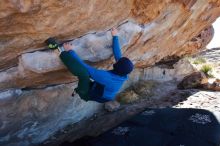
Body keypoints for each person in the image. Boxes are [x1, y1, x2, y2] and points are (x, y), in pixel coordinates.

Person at [46, 28, 134, 103]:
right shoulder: (123, 72)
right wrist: (115, 36)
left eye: (118, 61)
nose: (118, 59)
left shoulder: (106, 77)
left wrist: (70, 51)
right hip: (102, 90)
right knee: (90, 77)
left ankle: (58, 51)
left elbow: (85, 67)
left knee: (84, 73)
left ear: (117, 67)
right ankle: (91, 86)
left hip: (89, 94)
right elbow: (118, 54)